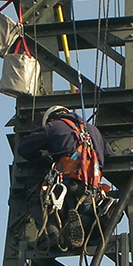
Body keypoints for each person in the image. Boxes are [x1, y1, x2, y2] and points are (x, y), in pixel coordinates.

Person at [17, 105, 115, 250]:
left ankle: (52, 234)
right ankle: (84, 229)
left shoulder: (54, 127)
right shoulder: (94, 131)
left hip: (65, 184)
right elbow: (110, 158)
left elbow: (23, 148)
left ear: (51, 118)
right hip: (92, 191)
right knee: (86, 211)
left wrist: (42, 159)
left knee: (35, 200)